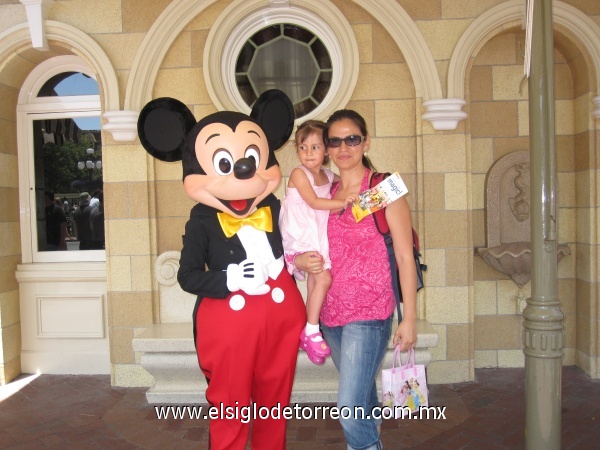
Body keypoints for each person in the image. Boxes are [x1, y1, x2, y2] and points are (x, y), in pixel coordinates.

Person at [294, 109, 417, 450]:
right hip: (330, 314)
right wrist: (300, 260)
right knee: (362, 397)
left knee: (349, 409)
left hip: (370, 313)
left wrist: (409, 318)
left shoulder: (382, 188)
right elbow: (303, 239)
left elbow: (405, 257)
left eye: (352, 139)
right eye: (335, 140)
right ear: (326, 147)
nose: (343, 147)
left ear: (366, 142)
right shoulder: (324, 190)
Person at [279, 120, 358, 365]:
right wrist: (343, 203)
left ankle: (310, 327)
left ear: (326, 150)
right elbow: (313, 202)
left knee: (317, 279)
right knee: (323, 278)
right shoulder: (298, 174)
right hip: (300, 233)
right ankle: (311, 330)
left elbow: (346, 185)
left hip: (316, 234)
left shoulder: (328, 175)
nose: (309, 153)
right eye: (303, 148)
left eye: (315, 147)